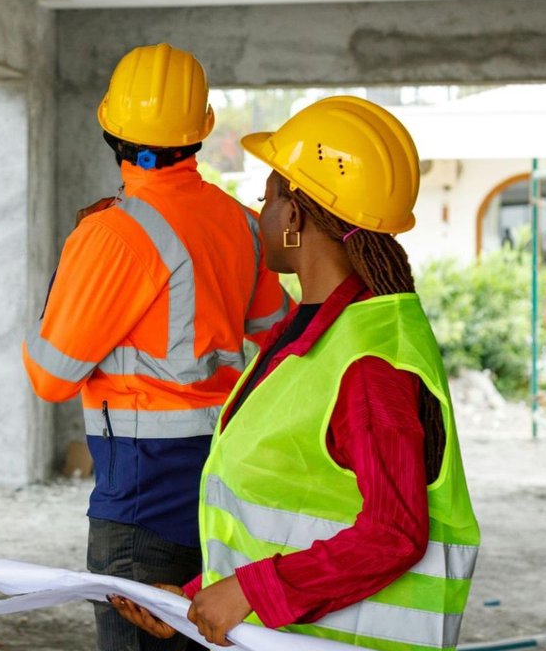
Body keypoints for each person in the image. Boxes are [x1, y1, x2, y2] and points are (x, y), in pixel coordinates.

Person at [111, 95, 481, 651]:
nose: (259, 214)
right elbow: (299, 507)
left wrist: (251, 590)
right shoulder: (311, 334)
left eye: (266, 199)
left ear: (293, 217)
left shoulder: (369, 362)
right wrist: (196, 598)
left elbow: (393, 533)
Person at [22, 43, 292, 651]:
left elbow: (51, 376)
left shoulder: (111, 233)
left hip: (141, 501)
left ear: (109, 127)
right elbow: (277, 332)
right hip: (223, 488)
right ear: (201, 131)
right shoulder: (242, 222)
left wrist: (71, 276)